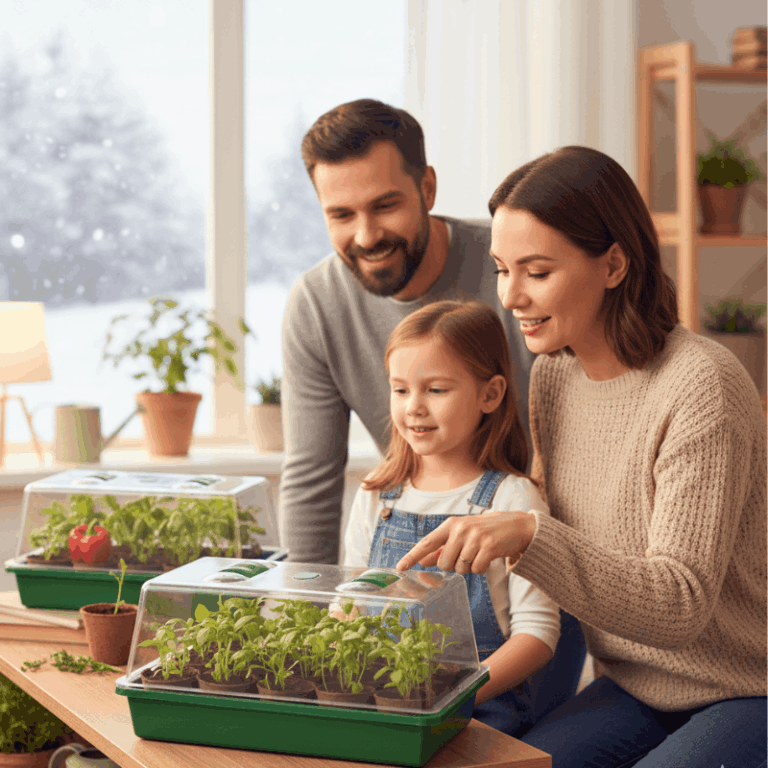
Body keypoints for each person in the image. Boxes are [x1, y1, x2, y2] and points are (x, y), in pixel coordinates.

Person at [396, 146, 768, 767]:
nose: (511, 296)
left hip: (746, 689)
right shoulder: (555, 376)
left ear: (614, 264)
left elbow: (679, 604)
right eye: (502, 269)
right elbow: (569, 565)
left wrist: (528, 534)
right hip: (630, 683)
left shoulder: (702, 386)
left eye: (537, 272)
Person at [279, 98, 533, 565]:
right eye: (341, 215)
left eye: (385, 206)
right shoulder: (316, 304)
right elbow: (311, 482)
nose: (366, 236)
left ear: (427, 188)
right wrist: (298, 601)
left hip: (537, 538)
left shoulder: (513, 263)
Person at [340, 299, 563, 736]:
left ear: (490, 394)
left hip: (479, 714)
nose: (413, 407)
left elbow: (537, 635)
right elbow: (349, 604)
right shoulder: (377, 494)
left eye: (436, 390)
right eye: (400, 390)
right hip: (382, 706)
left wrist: (449, 701)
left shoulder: (513, 499)